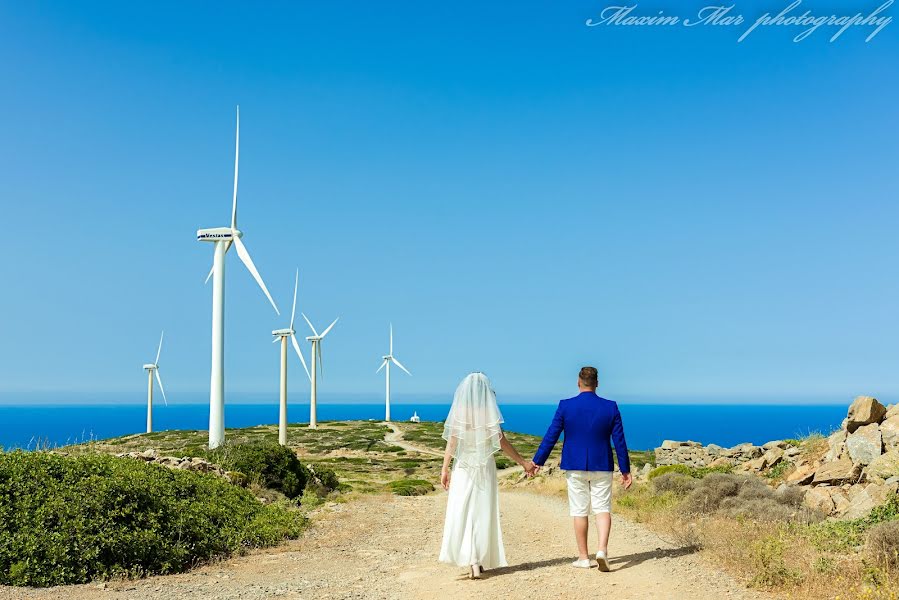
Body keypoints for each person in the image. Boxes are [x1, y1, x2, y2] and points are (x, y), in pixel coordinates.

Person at [532, 366, 632, 571]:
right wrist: (625, 470)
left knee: (580, 511)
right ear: (597, 383)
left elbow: (552, 435)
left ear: (578, 382)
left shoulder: (565, 406)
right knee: (602, 508)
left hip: (575, 465)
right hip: (602, 464)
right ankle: (602, 550)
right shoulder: (611, 407)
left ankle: (584, 557)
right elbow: (619, 441)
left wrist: (537, 462)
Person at [438, 372, 536, 579]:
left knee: (464, 511)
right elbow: (501, 442)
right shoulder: (487, 413)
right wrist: (523, 463)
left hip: (463, 466)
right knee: (481, 512)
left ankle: (472, 560)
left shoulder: (460, 413)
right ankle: (477, 560)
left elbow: (452, 442)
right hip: (484, 467)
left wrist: (445, 469)